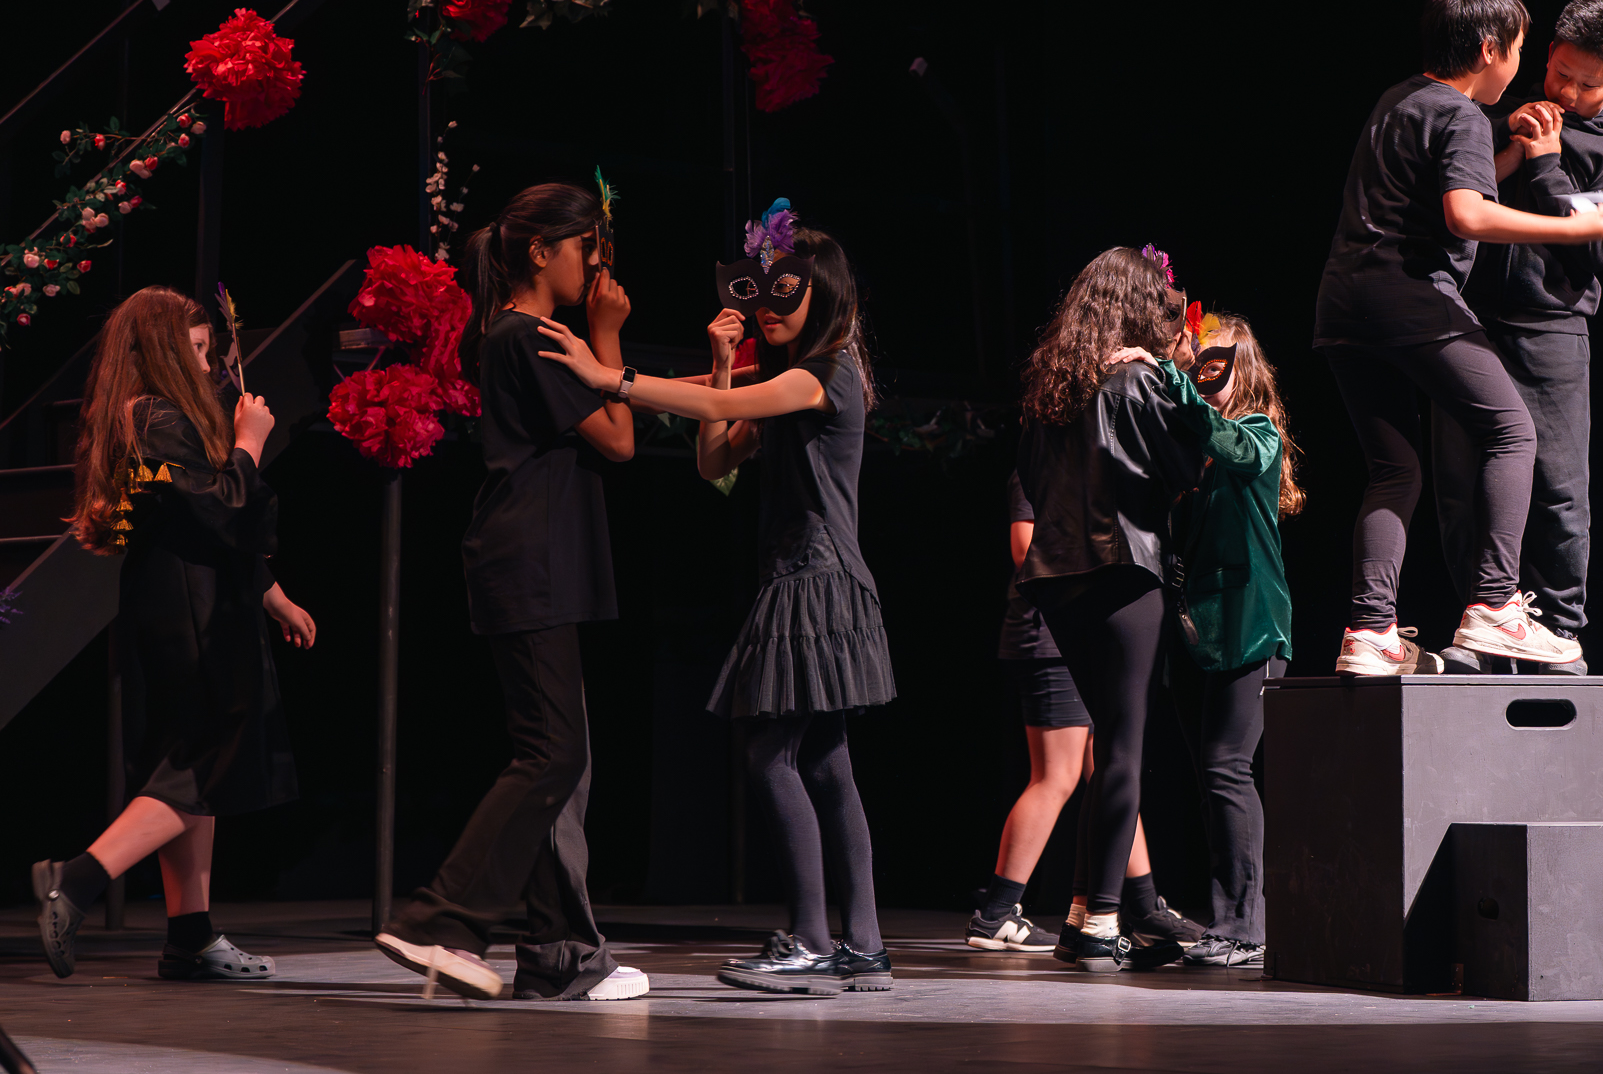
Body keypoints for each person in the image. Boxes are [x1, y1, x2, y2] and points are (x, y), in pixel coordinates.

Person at [538, 203, 896, 998]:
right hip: (807, 574)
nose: (766, 306)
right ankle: (864, 945)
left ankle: (813, 941)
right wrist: (722, 361)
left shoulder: (824, 373)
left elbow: (712, 408)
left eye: (785, 291)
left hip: (817, 578)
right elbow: (711, 459)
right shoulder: (788, 379)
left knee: (773, 754)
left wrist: (608, 375)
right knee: (826, 761)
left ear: (824, 293)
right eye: (758, 291)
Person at [373, 183, 647, 1003]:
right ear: (540, 250)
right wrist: (607, 333)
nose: (594, 266)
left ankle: (556, 950)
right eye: (586, 248)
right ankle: (442, 921)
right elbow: (621, 439)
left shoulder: (519, 334)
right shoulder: (531, 336)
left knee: (560, 755)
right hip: (530, 560)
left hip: (534, 559)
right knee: (552, 752)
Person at [1312, 0, 1603, 676]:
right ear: (1490, 50)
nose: (1526, 71)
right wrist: (1569, 226)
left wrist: (1515, 151)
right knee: (1512, 433)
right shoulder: (1461, 115)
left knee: (1395, 470)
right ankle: (1494, 605)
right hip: (1411, 299)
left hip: (1343, 307)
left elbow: (1455, 186)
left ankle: (1370, 629)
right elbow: (1466, 213)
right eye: (1522, 51)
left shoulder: (1399, 98)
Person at [34, 286, 317, 983]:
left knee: (189, 763)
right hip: (190, 609)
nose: (207, 363)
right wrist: (250, 443)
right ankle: (76, 879)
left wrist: (271, 594)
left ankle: (191, 935)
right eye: (193, 349)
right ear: (161, 351)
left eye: (208, 349)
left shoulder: (146, 418)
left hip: (183, 597)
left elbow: (195, 519)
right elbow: (221, 507)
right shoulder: (154, 417)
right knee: (202, 763)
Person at [1437, 0, 1603, 675]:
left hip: (1552, 332)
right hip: (1468, 323)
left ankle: (1558, 627)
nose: (1567, 92)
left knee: (1558, 487)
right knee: (1461, 484)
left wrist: (1548, 162)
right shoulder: (1494, 122)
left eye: (1588, 84)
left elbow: (1599, 250)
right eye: (1560, 73)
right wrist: (1508, 137)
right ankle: (1485, 616)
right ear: (1548, 54)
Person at [1013, 244, 1207, 973]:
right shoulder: (1137, 379)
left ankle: (1078, 916)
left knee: (1108, 743)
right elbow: (1187, 469)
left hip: (1056, 577)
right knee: (1123, 748)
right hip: (1123, 568)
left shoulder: (1053, 386)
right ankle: (1100, 922)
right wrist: (1176, 378)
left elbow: (1033, 481)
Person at [1104, 310, 1302, 968]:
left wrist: (1167, 372)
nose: (1201, 375)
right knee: (1209, 777)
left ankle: (1244, 925)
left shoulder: (1258, 434)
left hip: (1251, 626)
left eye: (1214, 365)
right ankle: (1227, 921)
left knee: (1226, 770)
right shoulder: (1191, 442)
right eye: (1197, 364)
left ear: (1242, 372)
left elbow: (1231, 444)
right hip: (1196, 633)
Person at [967, 471, 1194, 953]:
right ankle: (996, 913)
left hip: (1078, 637)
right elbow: (1024, 548)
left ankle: (1145, 905)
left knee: (1109, 768)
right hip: (1052, 641)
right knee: (1057, 775)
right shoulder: (1039, 467)